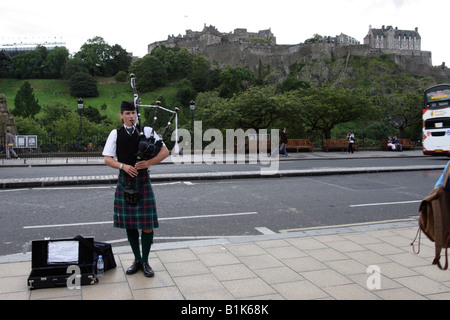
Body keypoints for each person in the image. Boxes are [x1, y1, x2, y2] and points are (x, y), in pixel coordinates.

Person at [102, 101, 169, 277]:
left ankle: (145, 261)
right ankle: (137, 259)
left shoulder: (147, 131)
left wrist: (148, 162)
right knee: (130, 225)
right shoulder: (115, 133)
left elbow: (165, 152)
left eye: (134, 113)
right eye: (128, 113)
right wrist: (123, 166)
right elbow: (107, 159)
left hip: (143, 180)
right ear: (121, 115)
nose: (132, 116)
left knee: (146, 225)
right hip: (125, 180)